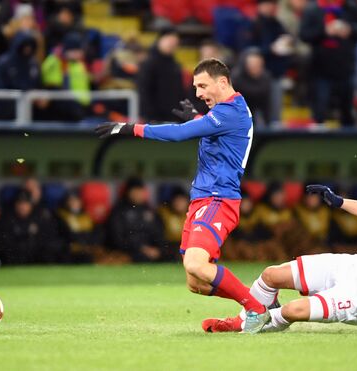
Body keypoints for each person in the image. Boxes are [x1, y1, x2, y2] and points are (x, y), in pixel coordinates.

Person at [95, 58, 271, 333]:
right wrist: (199, 119)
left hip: (218, 199)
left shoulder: (232, 110)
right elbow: (216, 136)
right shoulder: (224, 113)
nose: (198, 93)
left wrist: (130, 128)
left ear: (222, 82)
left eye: (202, 86)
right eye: (195, 87)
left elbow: (179, 135)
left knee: (195, 263)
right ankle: (259, 303)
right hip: (202, 199)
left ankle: (256, 309)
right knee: (195, 282)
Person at [205, 173, 357, 334]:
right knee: (271, 275)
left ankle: (245, 324)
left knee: (293, 311)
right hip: (350, 266)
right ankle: (250, 316)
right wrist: (338, 201)